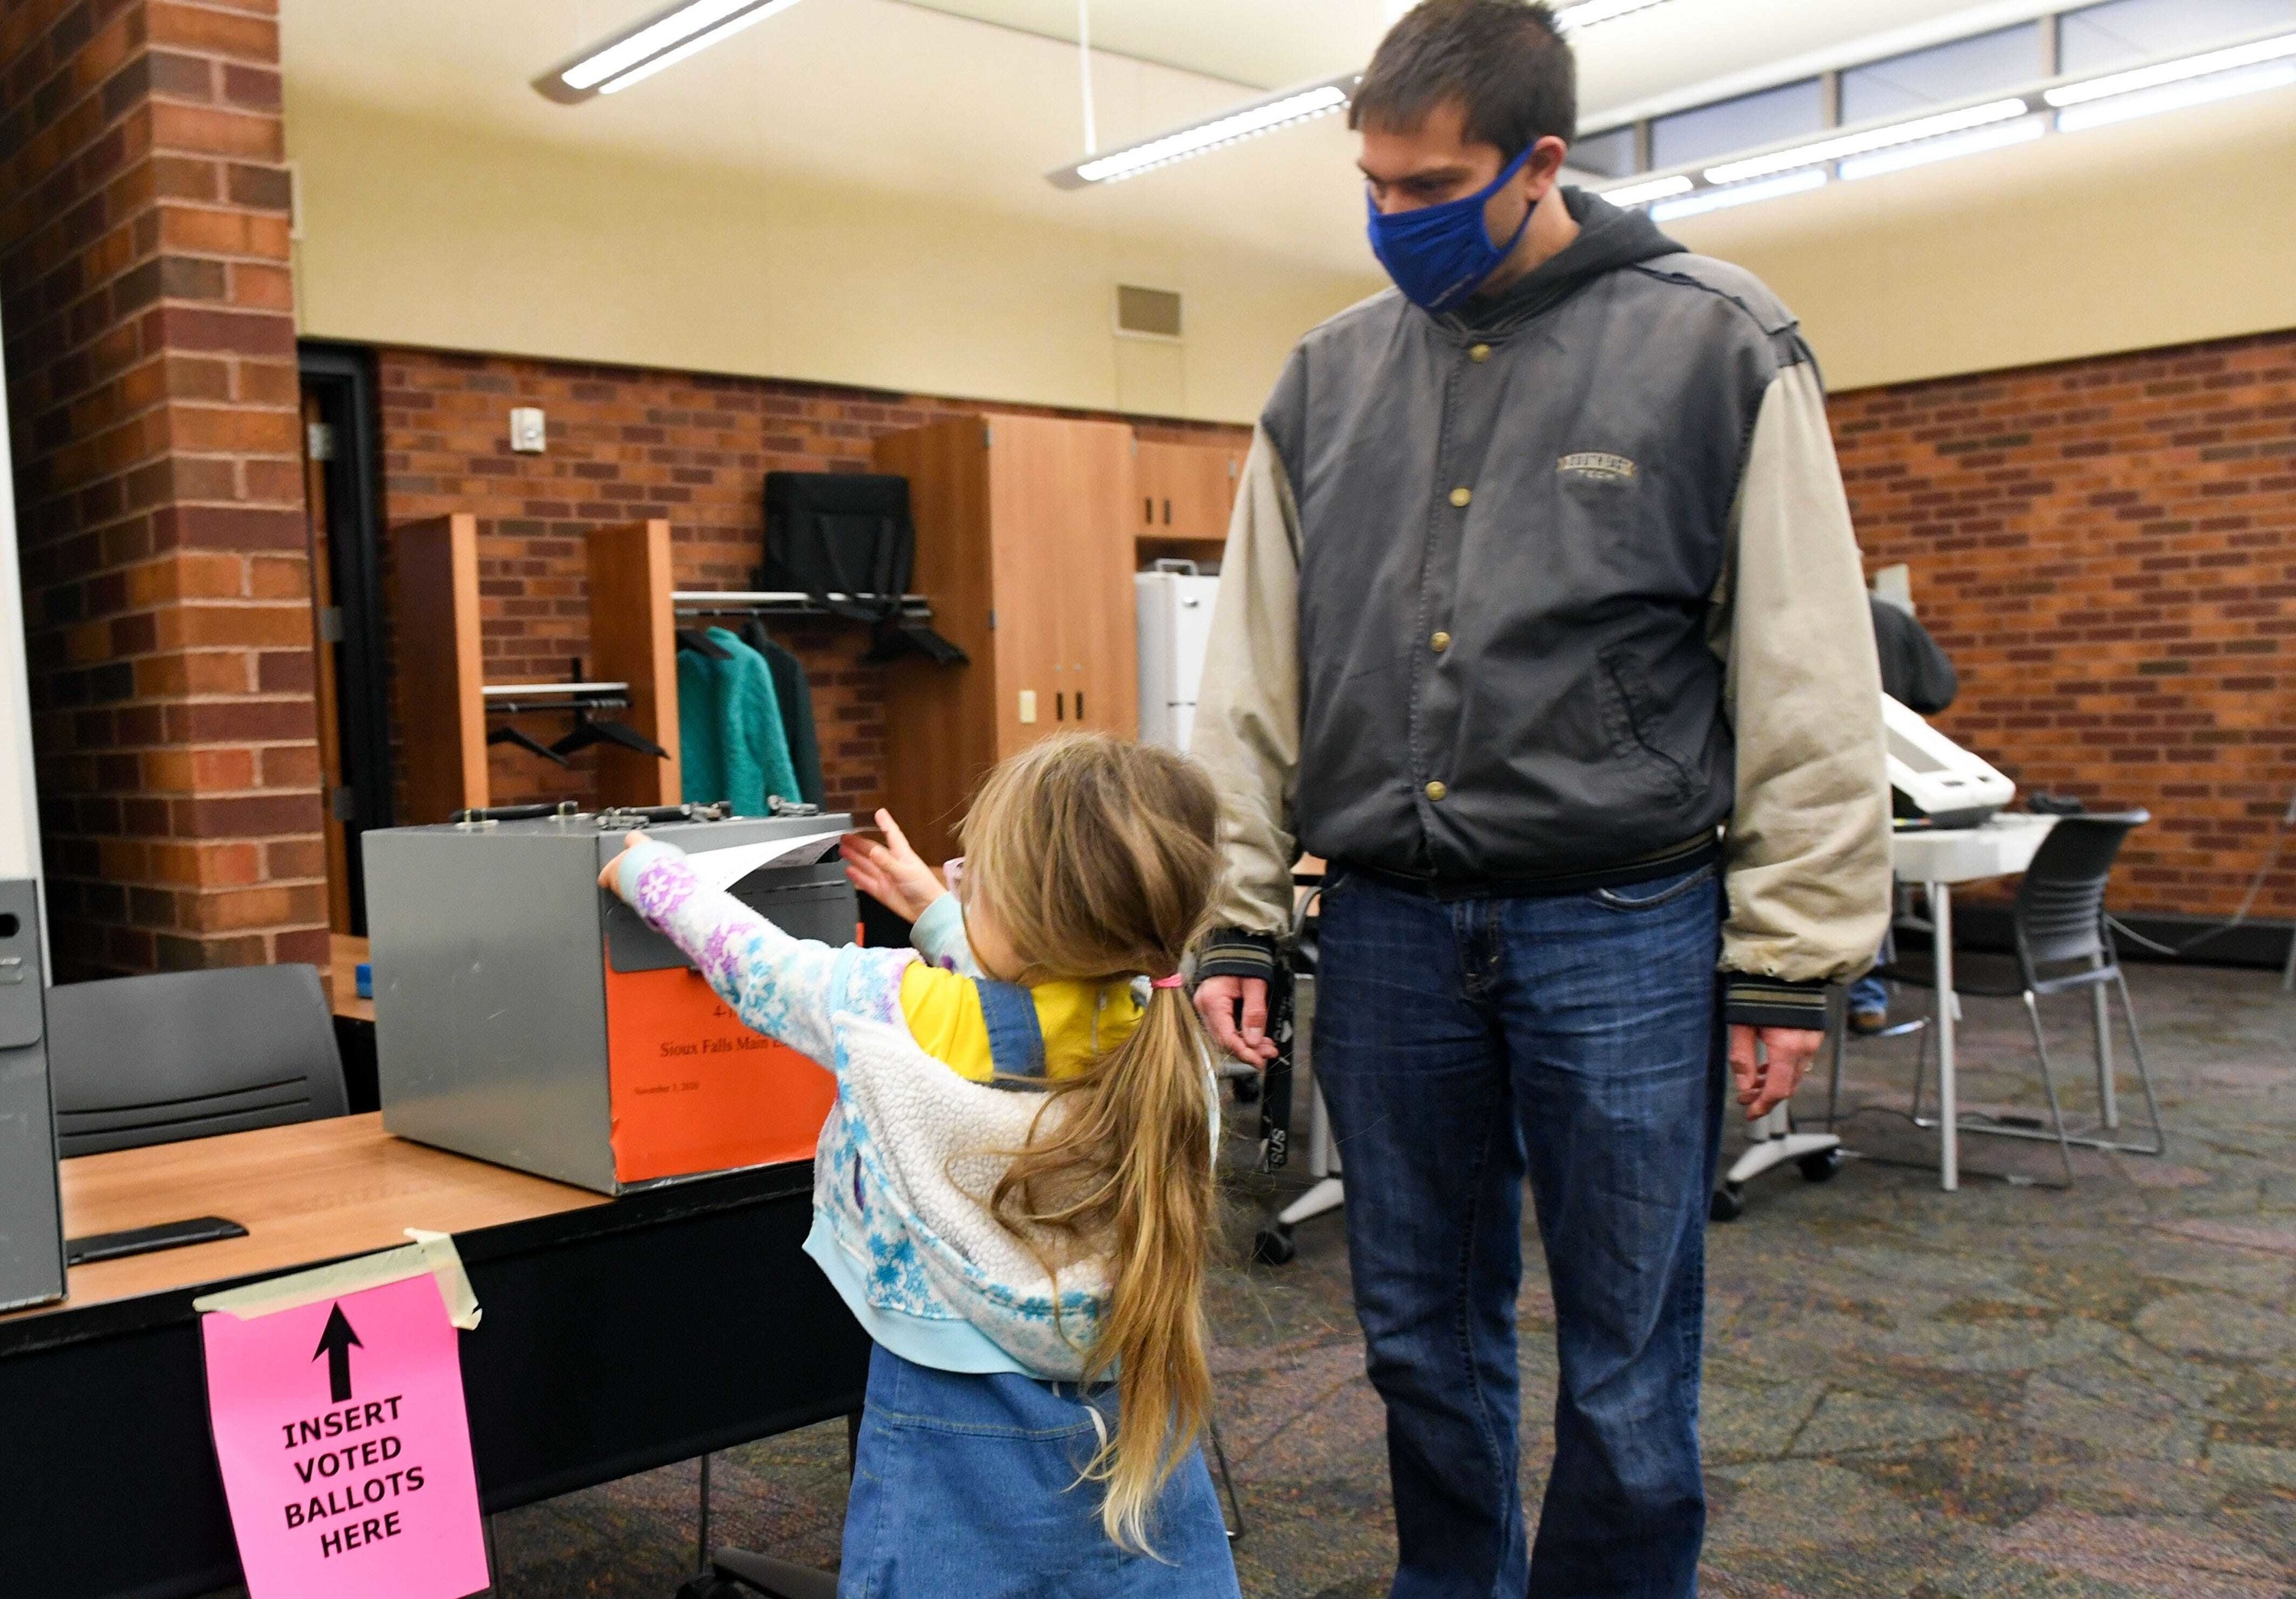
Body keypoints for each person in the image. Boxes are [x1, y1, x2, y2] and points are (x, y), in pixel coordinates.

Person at [1187, 3, 1891, 1594]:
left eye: (1432, 185)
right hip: (1385, 929)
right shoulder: (1326, 379)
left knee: (1630, 1366)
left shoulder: (1719, 341)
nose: (1395, 219)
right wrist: (1234, 917)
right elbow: (1247, 677)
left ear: (1542, 161)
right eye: (1372, 183)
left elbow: (1805, 669)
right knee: (1419, 1348)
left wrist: (1792, 950)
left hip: (1625, 926)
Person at [600, 735, 1240, 1597]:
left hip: (948, 1416)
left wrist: (648, 874)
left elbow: (757, 963)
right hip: (1134, 1395)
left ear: (1022, 910)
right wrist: (942, 912)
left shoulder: (888, 1012)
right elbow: (1040, 999)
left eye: (981, 875)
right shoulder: (1160, 1036)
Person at [1851, 592, 1960, 1031]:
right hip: (1893, 776)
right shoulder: (1889, 617)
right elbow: (1939, 689)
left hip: (1823, 776)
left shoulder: (1798, 610)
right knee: (1874, 876)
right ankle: (1868, 999)